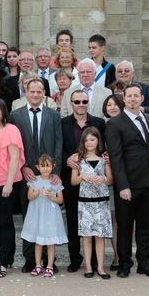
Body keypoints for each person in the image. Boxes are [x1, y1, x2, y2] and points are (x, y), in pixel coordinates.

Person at [105, 83, 149, 279]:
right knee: (125, 226)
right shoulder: (114, 123)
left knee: (146, 226)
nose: (133, 99)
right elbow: (115, 157)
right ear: (124, 99)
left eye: (136, 96)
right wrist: (123, 185)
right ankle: (125, 263)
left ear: (142, 99)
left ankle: (144, 264)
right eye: (129, 96)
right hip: (128, 185)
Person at [9, 77, 63, 272]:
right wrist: (22, 167)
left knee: (49, 218)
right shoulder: (15, 115)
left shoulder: (53, 115)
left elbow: (59, 144)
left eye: (39, 92)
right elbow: (13, 145)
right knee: (29, 217)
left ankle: (50, 261)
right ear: (26, 92)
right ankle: (31, 259)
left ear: (44, 94)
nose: (35, 95)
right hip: (28, 175)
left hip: (49, 176)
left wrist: (56, 172)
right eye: (31, 91)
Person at [61, 90, 106, 273]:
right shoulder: (62, 123)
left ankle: (95, 262)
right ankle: (75, 258)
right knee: (73, 220)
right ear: (71, 103)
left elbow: (105, 146)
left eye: (84, 101)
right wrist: (66, 159)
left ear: (88, 102)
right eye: (77, 101)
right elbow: (58, 146)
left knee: (95, 222)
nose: (81, 104)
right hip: (72, 177)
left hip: (95, 180)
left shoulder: (99, 123)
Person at [0, 98, 25, 278]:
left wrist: (9, 183)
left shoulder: (11, 130)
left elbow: (15, 158)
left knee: (5, 221)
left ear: (3, 111)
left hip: (7, 182)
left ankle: (3, 262)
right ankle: (6, 258)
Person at [71, 128, 113, 279]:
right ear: (83, 142)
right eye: (86, 140)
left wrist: (104, 179)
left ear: (98, 141)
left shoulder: (104, 157)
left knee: (100, 236)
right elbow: (73, 181)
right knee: (87, 236)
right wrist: (82, 176)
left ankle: (101, 268)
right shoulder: (78, 158)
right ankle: (88, 267)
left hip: (101, 202)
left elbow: (111, 180)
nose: (89, 143)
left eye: (92, 140)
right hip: (85, 202)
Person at [21, 154, 67, 278]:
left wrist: (52, 197)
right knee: (38, 241)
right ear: (37, 167)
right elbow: (29, 197)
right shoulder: (34, 180)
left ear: (53, 167)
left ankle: (50, 266)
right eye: (43, 166)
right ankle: (37, 265)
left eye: (48, 166)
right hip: (37, 215)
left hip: (51, 216)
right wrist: (37, 192)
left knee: (51, 242)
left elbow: (61, 200)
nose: (45, 168)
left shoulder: (55, 182)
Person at [102, 94, 125, 270]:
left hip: (126, 177)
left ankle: (125, 255)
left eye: (116, 104)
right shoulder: (102, 126)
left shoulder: (129, 123)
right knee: (113, 219)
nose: (112, 107)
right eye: (109, 104)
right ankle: (117, 256)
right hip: (108, 176)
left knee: (123, 219)